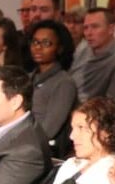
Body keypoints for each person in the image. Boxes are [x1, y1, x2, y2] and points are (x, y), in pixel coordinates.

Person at [24, 19, 79, 153]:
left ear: (59, 48)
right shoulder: (28, 78)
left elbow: (49, 129)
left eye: (46, 43)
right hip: (21, 144)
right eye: (35, 42)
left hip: (45, 151)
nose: (38, 47)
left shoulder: (64, 82)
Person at [71, 8, 115, 105]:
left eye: (95, 27)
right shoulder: (82, 50)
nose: (89, 33)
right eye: (86, 28)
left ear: (111, 29)